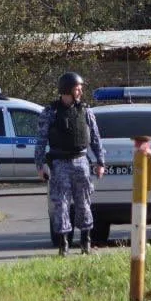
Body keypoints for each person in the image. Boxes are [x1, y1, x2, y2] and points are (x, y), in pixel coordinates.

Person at [35, 72, 106, 256]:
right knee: (61, 204)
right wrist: (40, 165)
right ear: (67, 90)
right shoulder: (50, 113)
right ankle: (64, 244)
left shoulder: (85, 111)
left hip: (81, 162)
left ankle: (86, 242)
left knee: (84, 203)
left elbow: (95, 138)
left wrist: (100, 161)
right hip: (59, 164)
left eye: (80, 89)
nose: (80, 92)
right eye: (77, 89)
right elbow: (41, 140)